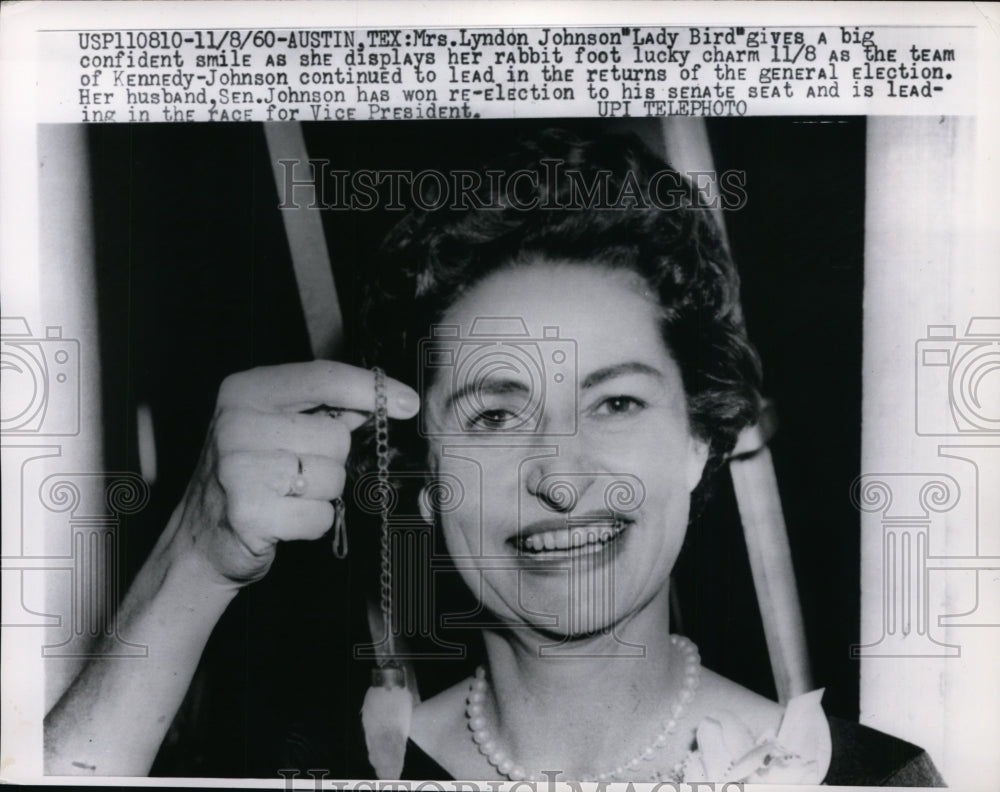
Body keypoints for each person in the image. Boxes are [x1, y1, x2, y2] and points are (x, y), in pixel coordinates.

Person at [45, 128, 944, 786]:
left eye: (617, 402)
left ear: (700, 439)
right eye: (493, 417)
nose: (559, 476)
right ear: (425, 481)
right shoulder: (324, 770)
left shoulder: (864, 780)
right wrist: (196, 559)